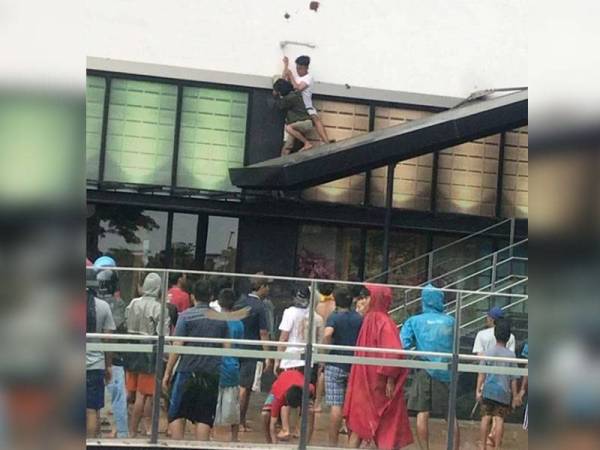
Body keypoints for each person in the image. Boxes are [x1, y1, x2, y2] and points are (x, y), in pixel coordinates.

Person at [344, 284, 413, 450]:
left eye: (367, 297)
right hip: (376, 383)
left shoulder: (373, 320)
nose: (362, 301)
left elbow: (392, 352)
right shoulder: (382, 321)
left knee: (360, 425)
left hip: (369, 383)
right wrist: (390, 377)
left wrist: (388, 377)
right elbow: (395, 352)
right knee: (384, 425)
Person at [163, 280, 229, 441]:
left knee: (177, 413)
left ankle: (177, 445)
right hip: (211, 374)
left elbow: (177, 346)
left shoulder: (185, 316)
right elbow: (227, 348)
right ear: (211, 296)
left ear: (193, 297)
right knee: (204, 417)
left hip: (187, 372)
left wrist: (168, 372)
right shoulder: (221, 319)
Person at [400, 284, 459, 450]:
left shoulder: (414, 321)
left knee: (422, 412)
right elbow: (456, 346)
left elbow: (403, 344)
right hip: (446, 371)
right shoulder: (451, 321)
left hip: (424, 370)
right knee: (450, 415)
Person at [125, 272, 170, 438]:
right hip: (148, 354)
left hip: (131, 351)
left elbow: (125, 322)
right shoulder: (159, 308)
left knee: (132, 392)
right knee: (144, 395)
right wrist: (165, 356)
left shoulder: (132, 303)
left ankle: (130, 428)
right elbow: (163, 334)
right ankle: (141, 430)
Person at [275, 286, 324, 440]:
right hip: (309, 361)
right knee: (305, 398)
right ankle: (300, 431)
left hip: (291, 359)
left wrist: (277, 358)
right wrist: (320, 362)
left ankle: (286, 428)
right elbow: (319, 342)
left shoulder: (289, 313)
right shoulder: (317, 317)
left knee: (286, 397)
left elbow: (283, 338)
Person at [322, 288, 363, 447]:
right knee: (353, 407)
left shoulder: (334, 317)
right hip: (354, 365)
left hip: (335, 363)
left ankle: (333, 443)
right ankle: (352, 443)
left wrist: (325, 349)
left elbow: (327, 334)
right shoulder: (359, 318)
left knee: (335, 405)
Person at [233, 274, 273, 432]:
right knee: (245, 387)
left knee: (239, 386)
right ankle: (239, 421)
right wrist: (268, 356)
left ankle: (239, 419)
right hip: (252, 351)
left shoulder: (239, 301)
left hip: (236, 348)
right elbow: (263, 333)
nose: (268, 289)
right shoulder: (260, 307)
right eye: (267, 286)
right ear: (261, 287)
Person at [94, 266, 129, 438]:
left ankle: (98, 432)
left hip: (96, 356)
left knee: (95, 401)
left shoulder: (92, 302)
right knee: (117, 398)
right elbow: (115, 329)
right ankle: (121, 434)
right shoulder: (118, 304)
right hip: (113, 357)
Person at [476, 319, 522, 450]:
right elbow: (513, 378)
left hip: (488, 390)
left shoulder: (488, 353)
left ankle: (483, 445)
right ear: (508, 337)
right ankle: (497, 447)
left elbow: (481, 374)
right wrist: (514, 396)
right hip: (503, 393)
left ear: (495, 334)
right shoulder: (511, 355)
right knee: (499, 419)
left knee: (485, 417)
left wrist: (478, 390)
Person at [86, 269, 116, 438]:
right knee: (92, 410)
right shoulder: (103, 306)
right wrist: (108, 365)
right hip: (95, 365)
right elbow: (108, 340)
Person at [214, 288, 244, 442]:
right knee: (233, 406)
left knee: (213, 404)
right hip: (233, 367)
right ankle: (234, 439)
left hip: (216, 367)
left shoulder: (215, 321)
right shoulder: (238, 324)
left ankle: (211, 437)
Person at [283, 55, 330, 144]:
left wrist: (291, 76)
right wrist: (286, 65)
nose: (298, 71)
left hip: (306, 106)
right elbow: (285, 79)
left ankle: (326, 142)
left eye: (300, 68)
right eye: (297, 68)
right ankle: (304, 143)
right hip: (296, 109)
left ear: (306, 68)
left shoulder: (308, 78)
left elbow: (298, 88)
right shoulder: (297, 78)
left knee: (316, 119)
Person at [261, 369, 315, 444]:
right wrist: (274, 446)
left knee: (311, 412)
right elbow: (272, 425)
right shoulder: (278, 397)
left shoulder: (309, 389)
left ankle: (306, 444)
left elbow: (312, 390)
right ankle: (269, 444)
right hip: (279, 385)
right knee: (265, 414)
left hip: (297, 382)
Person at [273, 77, 314, 154]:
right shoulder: (294, 94)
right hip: (300, 124)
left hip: (304, 123)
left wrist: (276, 96)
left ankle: (307, 143)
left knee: (288, 128)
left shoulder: (289, 98)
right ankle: (283, 159)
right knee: (288, 145)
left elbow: (280, 106)